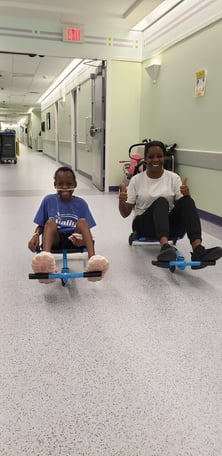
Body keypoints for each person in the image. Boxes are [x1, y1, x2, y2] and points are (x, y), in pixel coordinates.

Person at [119, 140, 222, 269]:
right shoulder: (136, 180)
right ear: (145, 159)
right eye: (151, 157)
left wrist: (187, 195)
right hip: (144, 226)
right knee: (161, 202)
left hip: (168, 226)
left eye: (159, 156)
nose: (155, 160)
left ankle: (198, 250)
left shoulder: (173, 178)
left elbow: (183, 208)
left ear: (164, 157)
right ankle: (164, 248)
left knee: (188, 201)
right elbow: (125, 213)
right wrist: (122, 201)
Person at [28, 166, 109, 283]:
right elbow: (41, 225)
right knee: (50, 223)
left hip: (75, 238)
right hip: (55, 239)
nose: (65, 187)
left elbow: (86, 229)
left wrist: (82, 240)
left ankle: (93, 261)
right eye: (60, 184)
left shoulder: (81, 203)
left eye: (69, 183)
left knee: (82, 222)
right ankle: (46, 260)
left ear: (75, 184)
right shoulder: (48, 200)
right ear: (55, 184)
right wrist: (35, 235)